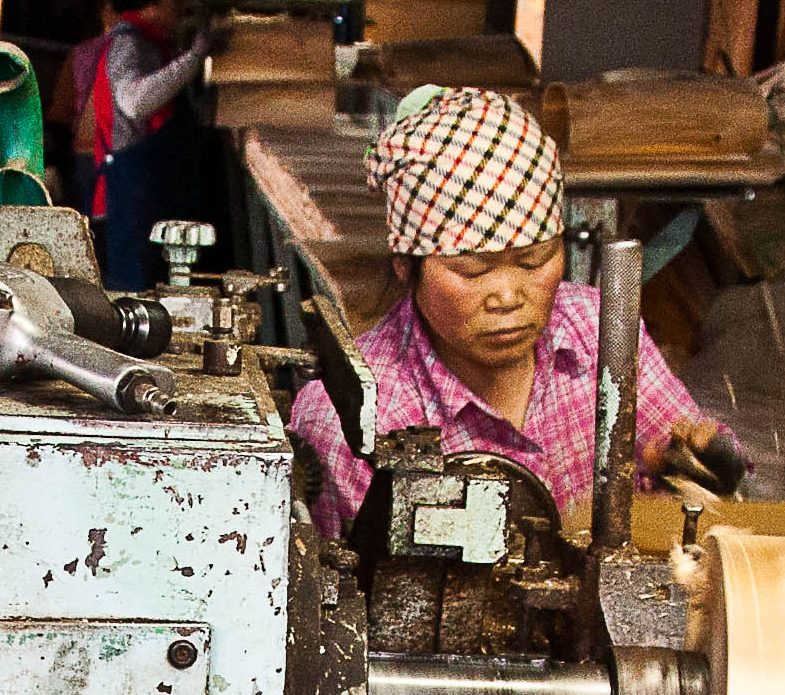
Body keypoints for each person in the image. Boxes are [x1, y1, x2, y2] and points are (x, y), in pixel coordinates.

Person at [283, 84, 737, 541]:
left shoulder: (598, 330)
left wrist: (697, 461)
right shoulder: (352, 417)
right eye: (472, 269)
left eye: (534, 261)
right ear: (405, 266)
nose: (506, 296)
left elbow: (686, 458)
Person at [72, 0, 220, 291]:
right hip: (131, 197)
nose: (181, 3)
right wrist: (195, 57)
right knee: (132, 299)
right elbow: (134, 101)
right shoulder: (129, 43)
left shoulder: (156, 45)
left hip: (153, 194)